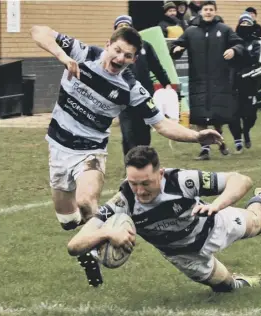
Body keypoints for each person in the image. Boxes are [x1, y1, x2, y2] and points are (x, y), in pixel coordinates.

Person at [30, 25, 223, 232]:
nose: (121, 58)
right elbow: (38, 31)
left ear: (134, 60)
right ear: (108, 45)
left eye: (128, 56)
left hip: (89, 151)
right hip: (58, 145)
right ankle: (92, 234)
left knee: (86, 202)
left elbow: (161, 124)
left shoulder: (131, 88)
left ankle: (107, 240)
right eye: (118, 51)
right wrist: (63, 57)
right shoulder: (82, 54)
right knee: (68, 222)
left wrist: (197, 136)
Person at [67, 146, 261, 288]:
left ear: (160, 174)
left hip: (213, 224)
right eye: (133, 183)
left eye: (146, 183)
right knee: (226, 288)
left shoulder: (181, 180)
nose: (140, 191)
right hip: (181, 254)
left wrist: (217, 204)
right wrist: (108, 232)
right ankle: (254, 281)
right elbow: (74, 245)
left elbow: (241, 179)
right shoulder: (123, 202)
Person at [170, 1, 245, 160]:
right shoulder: (191, 31)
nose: (208, 12)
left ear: (215, 12)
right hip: (198, 80)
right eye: (206, 9)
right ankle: (205, 149)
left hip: (219, 80)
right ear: (201, 11)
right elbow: (177, 45)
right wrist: (177, 49)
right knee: (200, 116)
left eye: (211, 9)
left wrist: (233, 50)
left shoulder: (224, 29)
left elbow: (239, 44)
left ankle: (221, 143)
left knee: (217, 117)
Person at [113, 16, 173, 161]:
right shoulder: (113, 51)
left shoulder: (145, 46)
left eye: (126, 25)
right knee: (128, 134)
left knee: (144, 134)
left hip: (145, 96)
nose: (123, 28)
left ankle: (143, 163)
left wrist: (167, 83)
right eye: (119, 26)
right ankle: (130, 166)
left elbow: (157, 67)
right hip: (124, 99)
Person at [228, 12, 261, 153]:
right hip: (234, 82)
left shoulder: (255, 43)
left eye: (248, 23)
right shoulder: (231, 41)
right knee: (233, 114)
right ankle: (238, 141)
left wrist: (241, 52)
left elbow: (254, 60)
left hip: (249, 83)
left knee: (251, 115)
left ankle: (246, 131)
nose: (245, 26)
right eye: (243, 23)